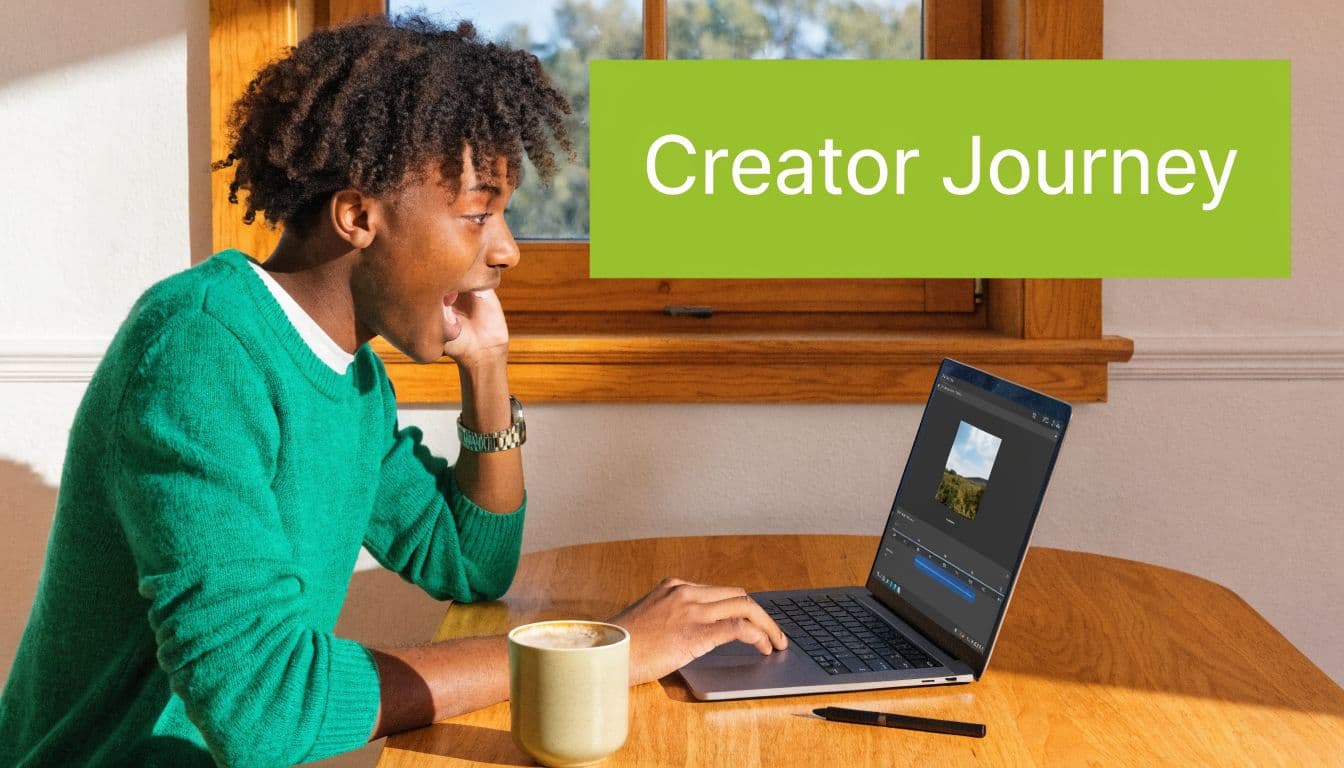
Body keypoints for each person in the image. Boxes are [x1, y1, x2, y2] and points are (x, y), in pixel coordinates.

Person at [0, 15, 785, 767]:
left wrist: (487, 372)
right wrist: (592, 656)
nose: (507, 249)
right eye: (478, 215)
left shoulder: (352, 375)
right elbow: (264, 709)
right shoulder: (200, 352)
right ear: (356, 215)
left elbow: (468, 565)